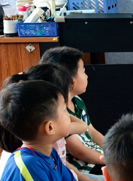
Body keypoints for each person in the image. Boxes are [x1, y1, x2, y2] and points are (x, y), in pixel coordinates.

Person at [0, 64, 116, 181]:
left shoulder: (48, 151)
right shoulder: (28, 163)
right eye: (64, 109)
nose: (70, 115)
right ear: (50, 126)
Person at [40, 46, 106, 174]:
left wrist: (115, 152)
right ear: (71, 80)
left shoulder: (78, 101)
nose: (87, 76)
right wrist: (115, 162)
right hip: (83, 166)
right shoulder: (57, 113)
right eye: (83, 72)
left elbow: (92, 131)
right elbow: (80, 152)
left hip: (98, 156)